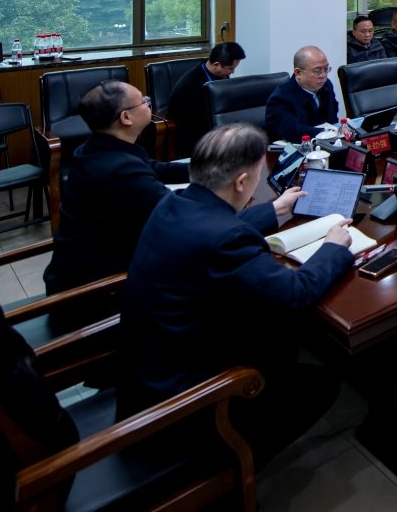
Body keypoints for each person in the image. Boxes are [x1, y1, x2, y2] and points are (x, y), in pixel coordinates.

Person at [118, 123, 358, 464]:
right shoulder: (226, 240)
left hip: (144, 379)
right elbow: (295, 293)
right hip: (185, 408)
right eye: (258, 175)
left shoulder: (173, 202)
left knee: (281, 341)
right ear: (242, 182)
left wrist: (274, 208)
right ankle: (233, 467)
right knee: (322, 382)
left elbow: (210, 227)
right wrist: (333, 247)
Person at [45, 81, 189, 310]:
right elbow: (176, 213)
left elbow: (150, 168)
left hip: (75, 275)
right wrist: (222, 188)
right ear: (126, 117)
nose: (149, 103)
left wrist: (204, 169)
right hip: (95, 295)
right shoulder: (120, 169)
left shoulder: (94, 149)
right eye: (144, 101)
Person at [167, 41, 245, 158]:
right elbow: (202, 122)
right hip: (195, 136)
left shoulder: (220, 76)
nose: (232, 72)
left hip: (218, 130)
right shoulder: (189, 88)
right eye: (230, 68)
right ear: (216, 65)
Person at [265, 46, 340, 143]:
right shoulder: (280, 99)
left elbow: (332, 118)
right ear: (298, 73)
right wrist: (327, 132)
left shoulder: (326, 86)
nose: (323, 75)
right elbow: (292, 131)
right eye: (317, 71)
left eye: (326, 69)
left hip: (326, 144)